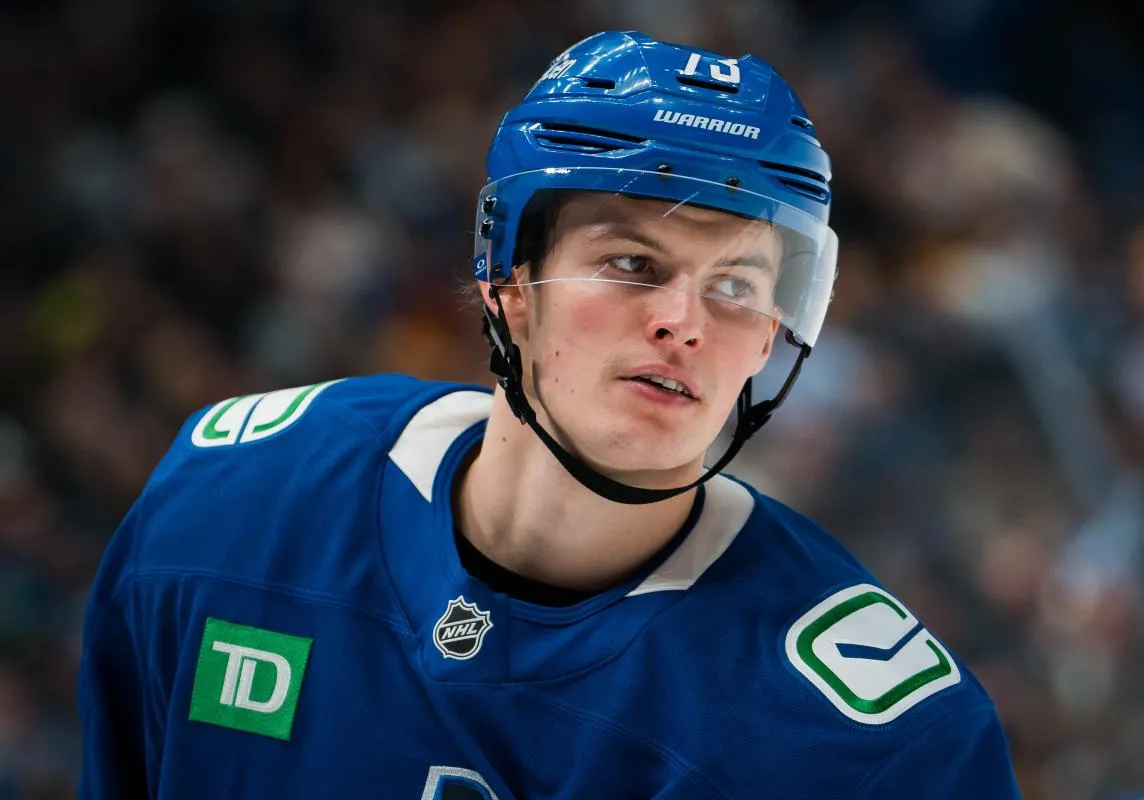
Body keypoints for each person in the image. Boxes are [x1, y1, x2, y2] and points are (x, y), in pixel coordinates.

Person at [77, 30, 1021, 799]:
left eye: (736, 284)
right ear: (508, 283)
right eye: (632, 265)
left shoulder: (884, 750)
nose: (683, 323)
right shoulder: (234, 505)